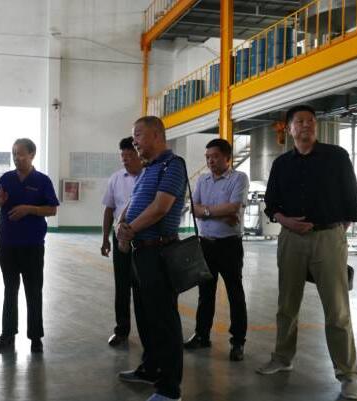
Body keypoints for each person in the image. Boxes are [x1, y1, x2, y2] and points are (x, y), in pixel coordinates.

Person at [256, 105, 357, 400]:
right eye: (300, 121)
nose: (306, 125)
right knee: (286, 305)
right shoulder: (282, 164)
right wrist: (286, 221)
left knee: (337, 310)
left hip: (328, 237)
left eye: (311, 121)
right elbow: (272, 204)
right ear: (289, 129)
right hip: (291, 239)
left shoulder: (336, 156)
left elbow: (352, 198)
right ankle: (282, 357)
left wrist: (336, 229)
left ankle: (348, 375)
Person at [116, 116, 186, 401]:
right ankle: (150, 368)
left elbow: (160, 208)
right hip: (141, 252)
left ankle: (169, 389)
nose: (135, 142)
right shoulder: (149, 168)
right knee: (146, 318)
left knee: (164, 321)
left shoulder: (173, 165)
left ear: (157, 135)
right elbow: (134, 202)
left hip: (159, 252)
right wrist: (122, 223)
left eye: (138, 135)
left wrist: (130, 229)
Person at [0, 138, 59, 354]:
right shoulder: (6, 178)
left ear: (32, 154)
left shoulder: (42, 180)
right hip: (7, 244)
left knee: (33, 290)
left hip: (32, 245)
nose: (16, 158)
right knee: (10, 289)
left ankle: (35, 337)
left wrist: (29, 209)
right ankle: (8, 334)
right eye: (14, 154)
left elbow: (52, 209)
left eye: (20, 153)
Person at [184, 138, 249, 361]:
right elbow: (194, 208)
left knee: (235, 294)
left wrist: (207, 211)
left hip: (229, 245)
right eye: (208, 157)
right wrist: (220, 213)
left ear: (227, 158)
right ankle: (202, 335)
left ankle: (238, 342)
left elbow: (234, 207)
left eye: (215, 157)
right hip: (206, 244)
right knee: (205, 293)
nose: (210, 161)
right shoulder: (202, 180)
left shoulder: (239, 178)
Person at [101, 136, 143, 347]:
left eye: (129, 155)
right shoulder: (116, 178)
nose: (125, 159)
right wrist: (105, 239)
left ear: (138, 154)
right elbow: (109, 210)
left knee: (143, 287)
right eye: (123, 156)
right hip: (120, 240)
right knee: (122, 286)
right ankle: (122, 330)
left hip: (145, 241)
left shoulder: (149, 177)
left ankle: (147, 332)